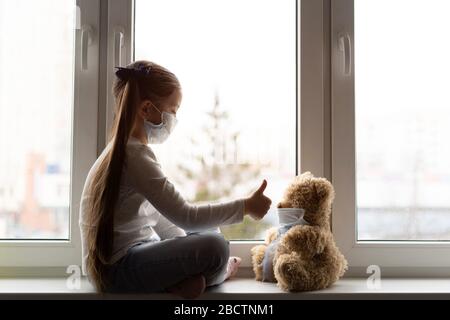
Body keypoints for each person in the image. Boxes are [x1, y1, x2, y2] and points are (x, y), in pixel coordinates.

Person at [78, 60, 272, 298]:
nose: (174, 119)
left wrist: (186, 251)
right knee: (216, 247)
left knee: (209, 234)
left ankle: (177, 282)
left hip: (125, 264)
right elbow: (187, 217)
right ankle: (219, 273)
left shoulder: (124, 151)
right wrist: (245, 207)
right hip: (118, 272)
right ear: (146, 109)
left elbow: (163, 221)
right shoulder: (135, 155)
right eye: (173, 111)